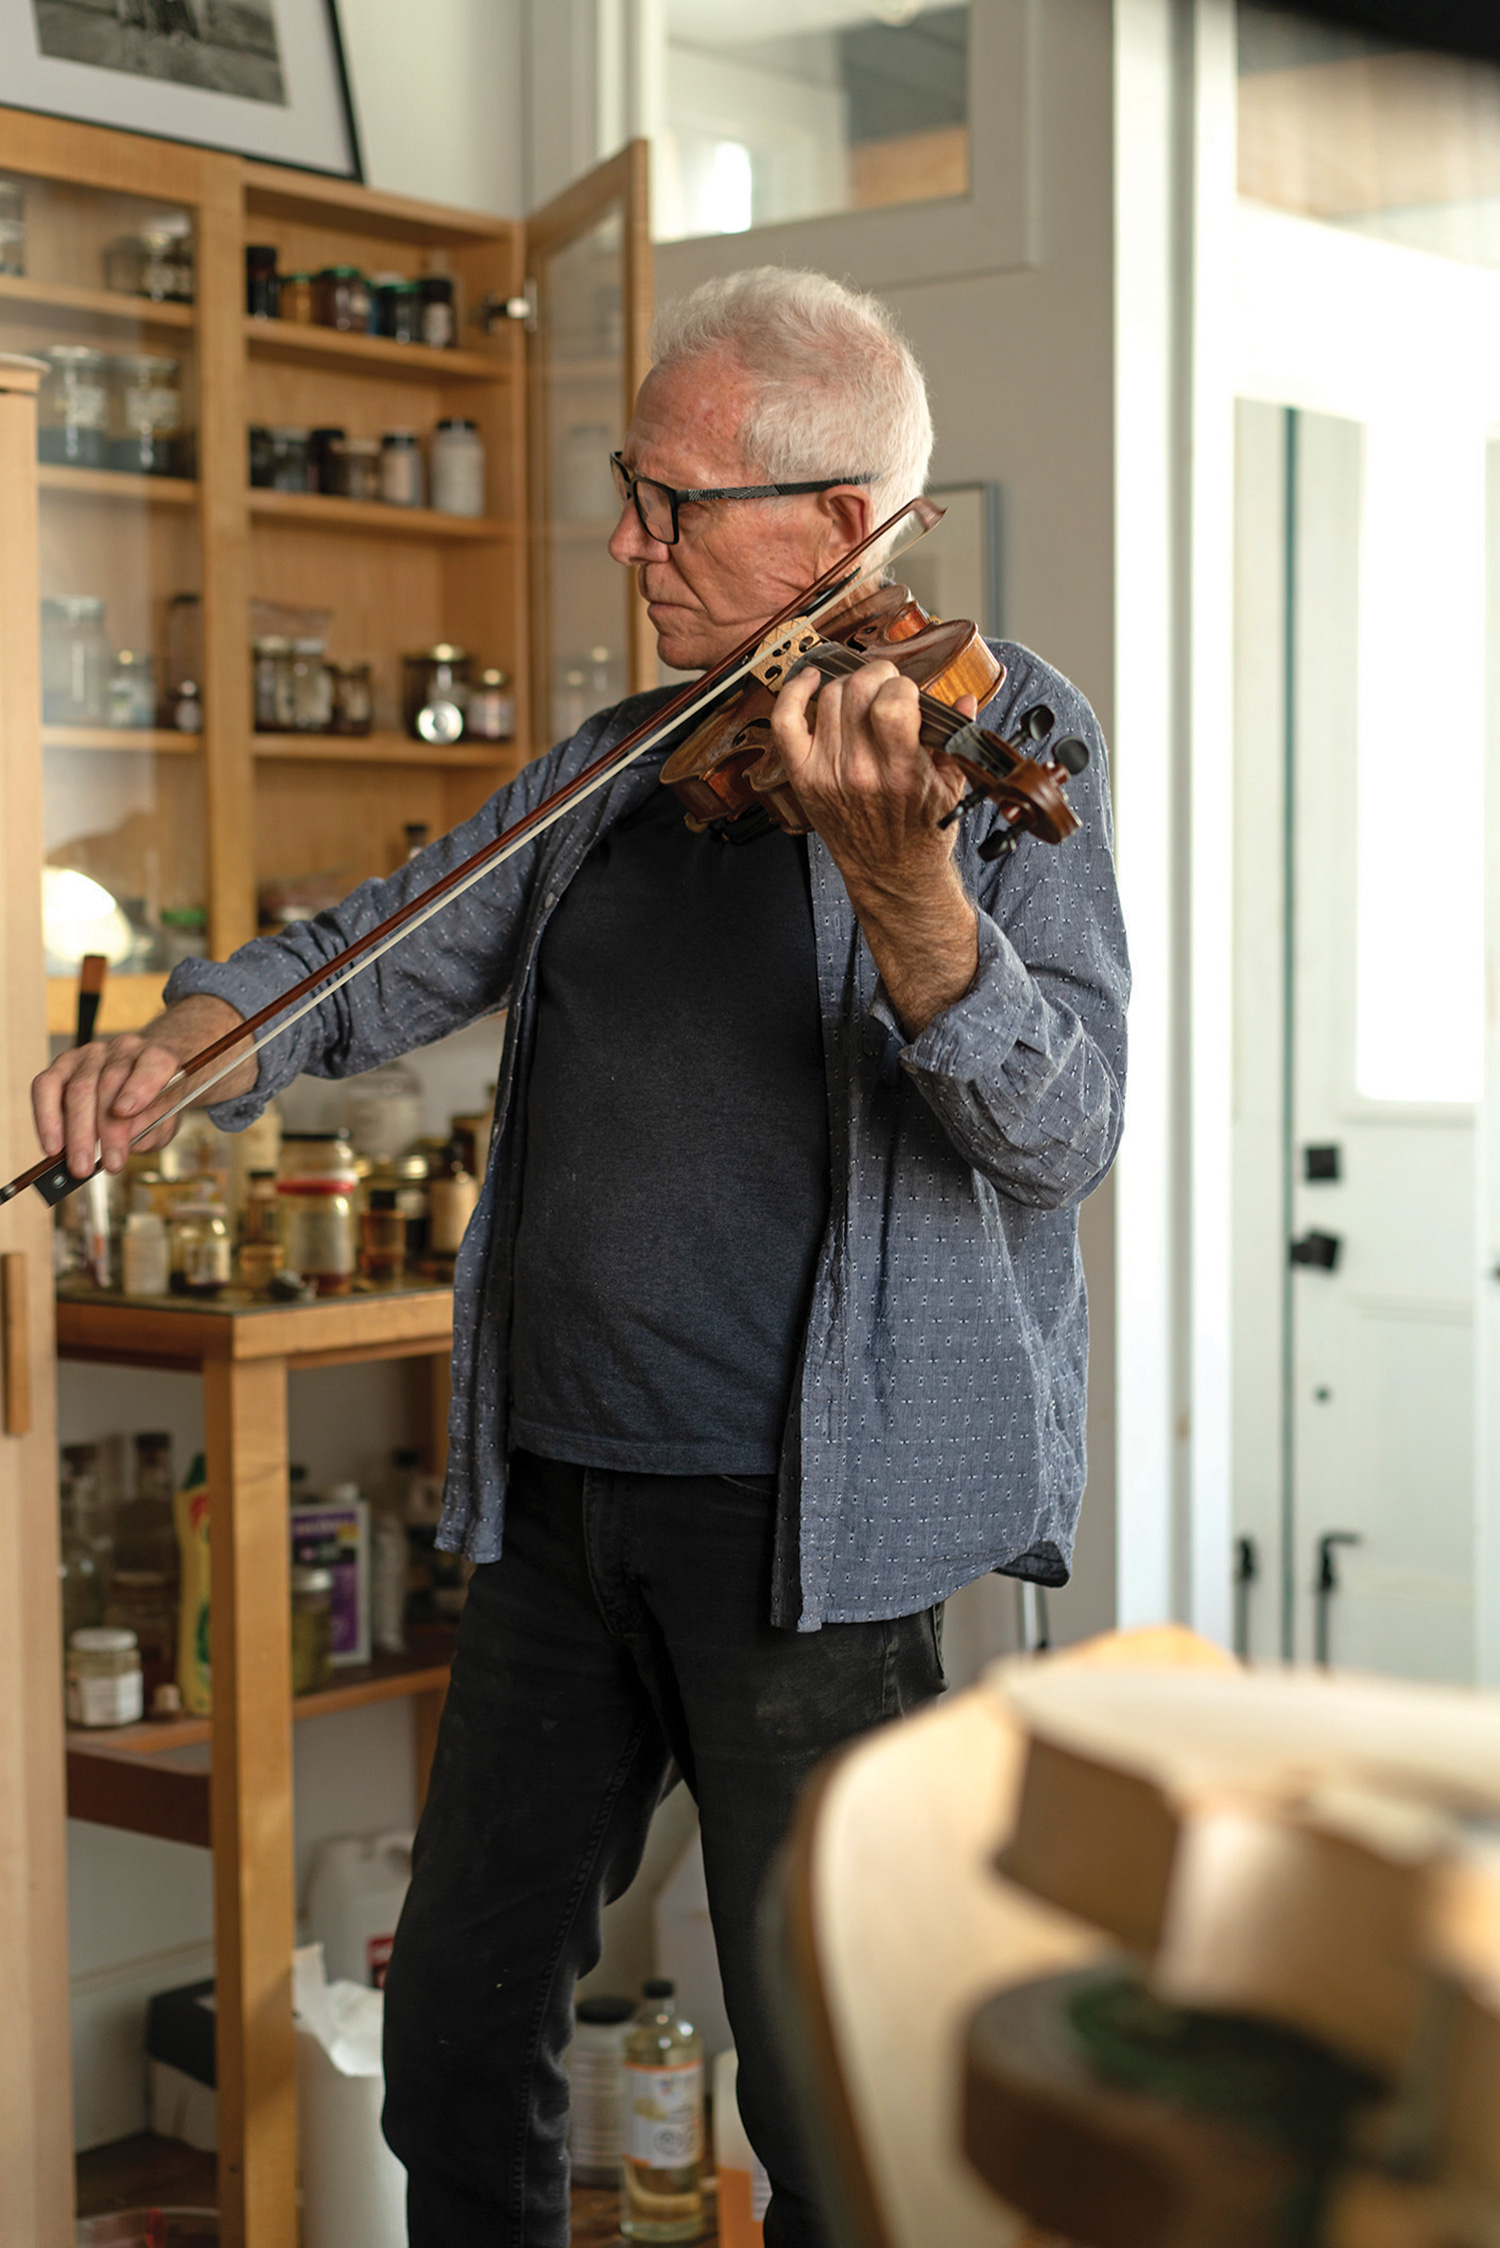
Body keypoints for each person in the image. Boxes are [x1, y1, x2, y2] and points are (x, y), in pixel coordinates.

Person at [32, 268, 1128, 2247]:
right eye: (630, 490)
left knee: (822, 2081)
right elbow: (379, 948)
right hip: (556, 1505)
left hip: (820, 1535)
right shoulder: (638, 750)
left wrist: (912, 905)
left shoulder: (1004, 742)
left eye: (672, 504)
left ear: (845, 522)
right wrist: (183, 1048)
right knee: (457, 2022)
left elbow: (1062, 1130)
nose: (628, 542)